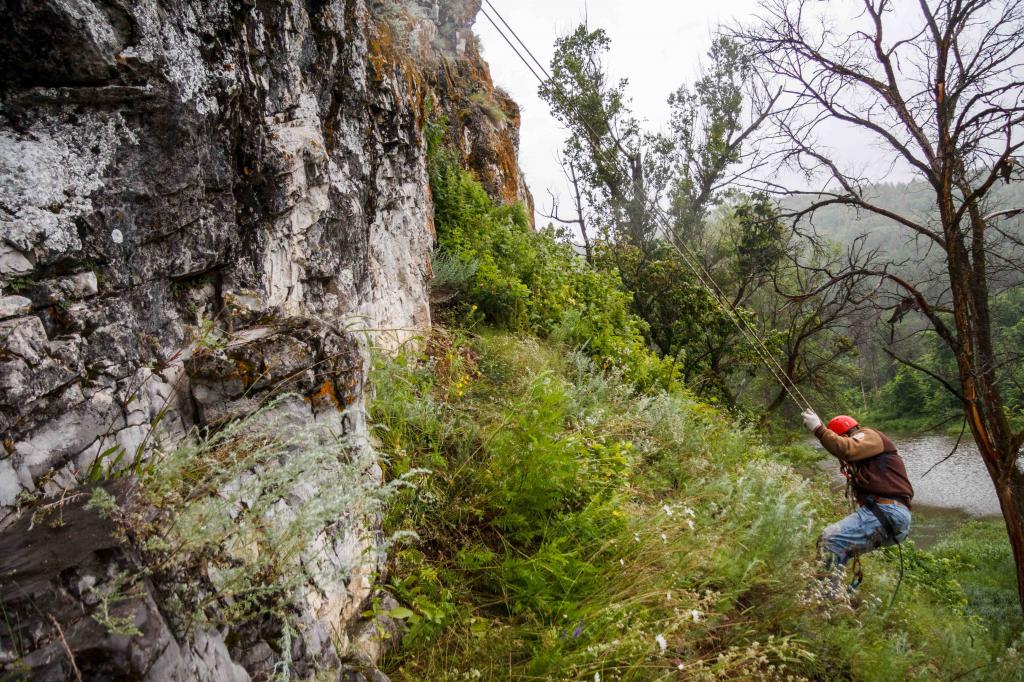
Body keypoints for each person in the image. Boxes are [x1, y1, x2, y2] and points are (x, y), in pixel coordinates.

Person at [801, 409, 914, 578]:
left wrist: (819, 429)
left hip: (887, 511)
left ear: (848, 434)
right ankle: (833, 594)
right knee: (838, 548)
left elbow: (845, 448)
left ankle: (825, 598)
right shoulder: (865, 458)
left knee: (830, 541)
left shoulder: (868, 435)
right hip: (888, 514)